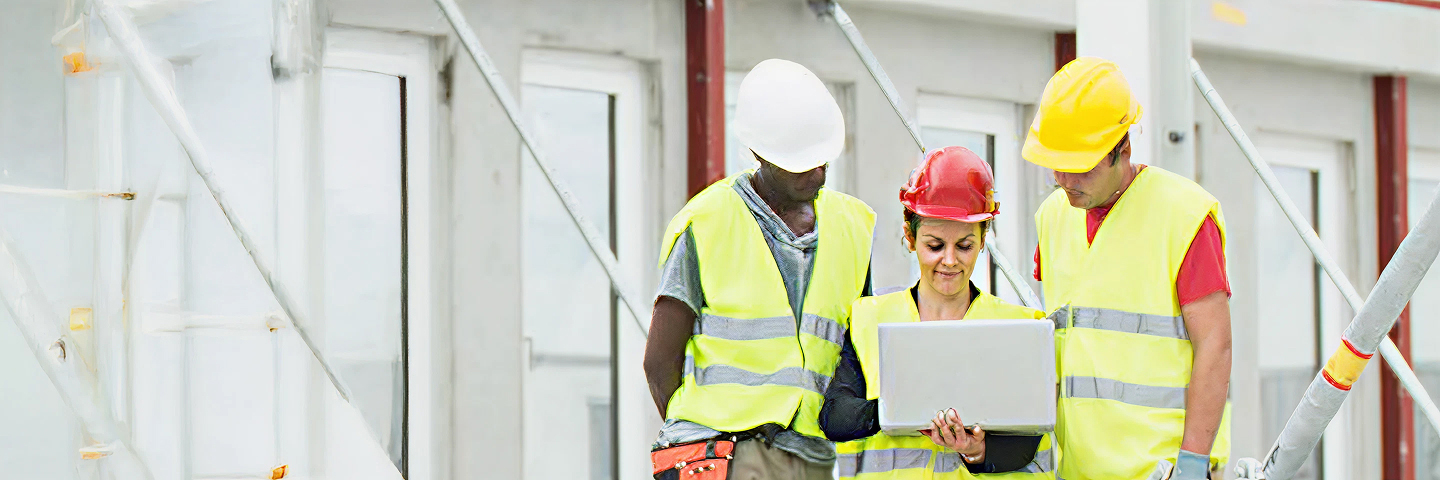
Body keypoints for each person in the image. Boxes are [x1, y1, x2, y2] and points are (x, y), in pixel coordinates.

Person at [643, 58, 876, 480]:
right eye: (802, 163)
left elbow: (858, 358)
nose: (818, 173)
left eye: (823, 161)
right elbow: (659, 362)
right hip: (727, 450)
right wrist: (694, 444)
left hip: (812, 455)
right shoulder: (708, 222)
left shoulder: (853, 228)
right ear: (759, 154)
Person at [1023, 57, 1232, 480]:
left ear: (1123, 150)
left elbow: (1215, 345)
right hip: (1078, 471)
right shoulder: (1052, 217)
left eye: (1080, 166)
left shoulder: (1185, 216)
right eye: (1057, 163)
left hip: (1164, 470)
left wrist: (1193, 464)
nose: (1065, 179)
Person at [819, 146, 1055, 480]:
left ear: (983, 238)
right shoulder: (870, 320)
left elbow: (1027, 442)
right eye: (935, 245)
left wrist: (977, 449)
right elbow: (835, 418)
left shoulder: (1017, 327)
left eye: (965, 246)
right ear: (910, 236)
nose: (949, 260)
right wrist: (900, 410)